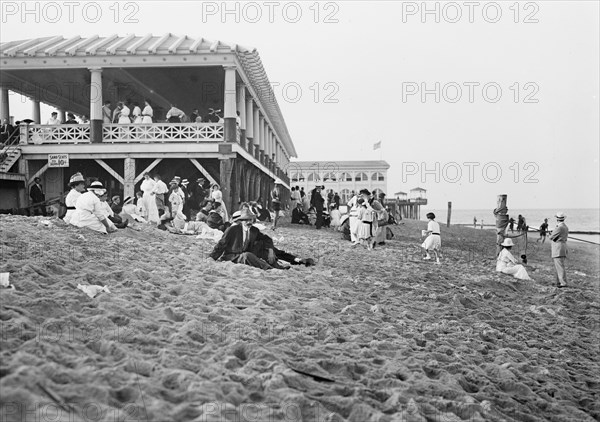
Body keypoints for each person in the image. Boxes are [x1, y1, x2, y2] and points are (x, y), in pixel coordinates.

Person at [210, 209, 277, 270]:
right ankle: (269, 268)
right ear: (241, 221)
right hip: (232, 257)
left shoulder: (254, 230)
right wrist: (212, 258)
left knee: (263, 247)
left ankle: (277, 266)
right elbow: (221, 244)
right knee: (247, 255)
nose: (248, 222)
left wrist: (270, 251)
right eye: (246, 220)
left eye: (250, 220)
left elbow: (267, 239)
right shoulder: (232, 230)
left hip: (246, 255)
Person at [550, 212, 569, 288]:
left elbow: (551, 237)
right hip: (563, 247)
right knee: (559, 266)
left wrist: (550, 234)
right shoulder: (565, 227)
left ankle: (563, 283)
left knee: (560, 266)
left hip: (558, 248)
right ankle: (559, 282)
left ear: (557, 219)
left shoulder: (559, 227)